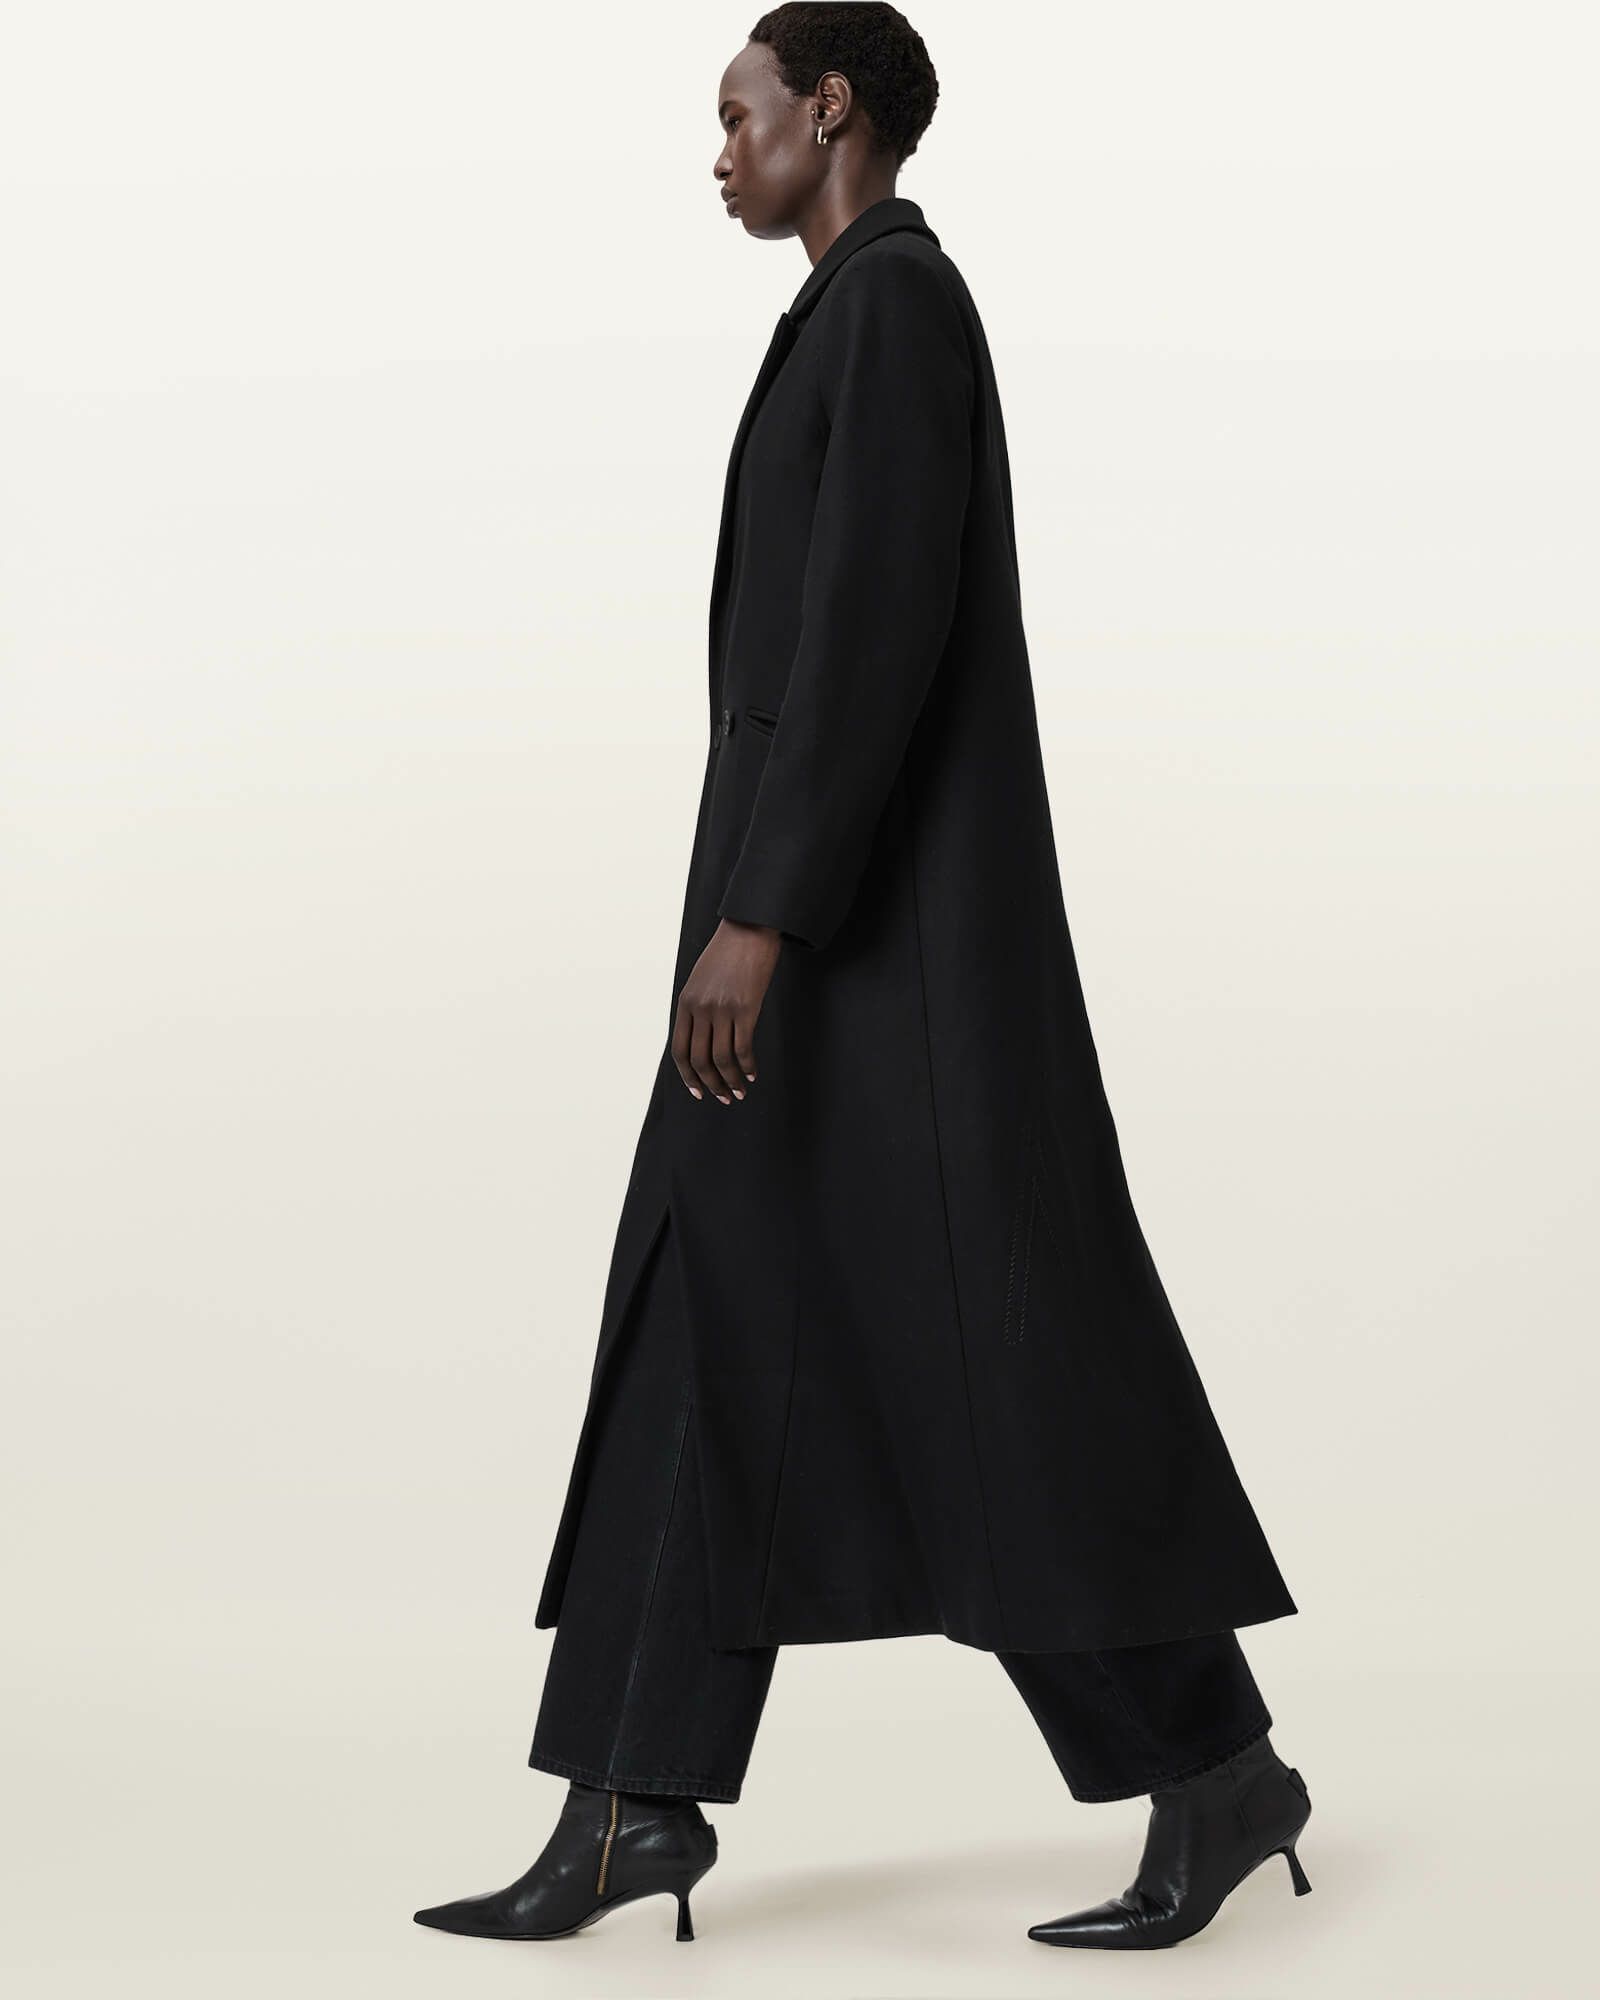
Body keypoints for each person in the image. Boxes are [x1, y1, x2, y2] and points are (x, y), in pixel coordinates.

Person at [414, 2, 1313, 1954]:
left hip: (876, 958)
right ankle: (627, 1800)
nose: (716, 151)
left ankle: (1215, 1769)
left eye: (737, 114)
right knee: (697, 1322)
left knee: (995, 1359)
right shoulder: (844, 313)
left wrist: (764, 915)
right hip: (814, 929)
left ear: (831, 111)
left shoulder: (897, 305)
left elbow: (872, 633)